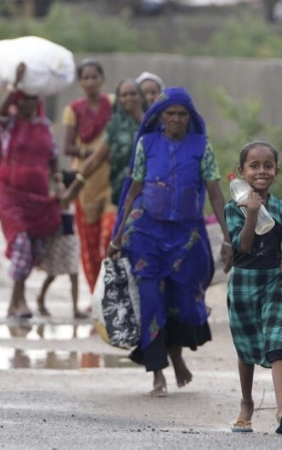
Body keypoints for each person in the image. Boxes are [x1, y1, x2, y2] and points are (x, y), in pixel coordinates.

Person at [108, 86, 233, 397]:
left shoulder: (202, 146)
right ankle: (157, 374)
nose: (176, 119)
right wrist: (118, 235)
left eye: (181, 114)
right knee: (151, 301)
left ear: (190, 117)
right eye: (170, 114)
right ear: (160, 116)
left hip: (186, 238)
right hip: (146, 235)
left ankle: (176, 355)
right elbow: (133, 190)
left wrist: (228, 238)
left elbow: (216, 195)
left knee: (184, 304)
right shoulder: (147, 144)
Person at [225, 141, 282, 435]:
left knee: (277, 341)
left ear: (276, 171)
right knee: (245, 346)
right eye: (254, 166)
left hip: (272, 281)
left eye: (268, 166)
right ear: (241, 171)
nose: (261, 171)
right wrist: (251, 213)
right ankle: (246, 404)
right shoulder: (232, 208)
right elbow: (243, 247)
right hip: (242, 283)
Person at [0, 63, 61, 319]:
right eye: (23, 99)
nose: (28, 104)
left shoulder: (44, 126)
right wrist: (16, 83)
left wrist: (58, 182)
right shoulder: (8, 124)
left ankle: (15, 302)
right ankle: (18, 302)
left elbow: (53, 157)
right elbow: (0, 112)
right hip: (10, 194)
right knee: (20, 243)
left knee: (34, 249)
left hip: (38, 198)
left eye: (32, 99)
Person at [62, 59, 114, 295]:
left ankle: (114, 290)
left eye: (94, 77)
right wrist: (93, 152)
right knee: (90, 243)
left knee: (109, 236)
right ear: (80, 83)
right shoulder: (73, 110)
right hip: (86, 181)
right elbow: (68, 147)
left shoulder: (113, 104)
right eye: (85, 78)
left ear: (102, 79)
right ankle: (97, 296)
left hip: (112, 179)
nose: (91, 82)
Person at [63, 77, 146, 209]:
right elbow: (96, 159)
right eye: (124, 95)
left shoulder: (152, 125)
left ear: (141, 97)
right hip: (121, 193)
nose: (129, 98)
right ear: (119, 100)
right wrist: (72, 191)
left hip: (148, 194)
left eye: (133, 94)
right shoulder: (115, 128)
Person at [36, 170, 84, 319]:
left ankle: (75, 308)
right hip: (58, 240)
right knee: (52, 274)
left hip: (71, 240)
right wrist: (60, 180)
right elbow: (63, 193)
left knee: (74, 274)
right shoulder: (63, 201)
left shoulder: (72, 203)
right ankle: (40, 299)